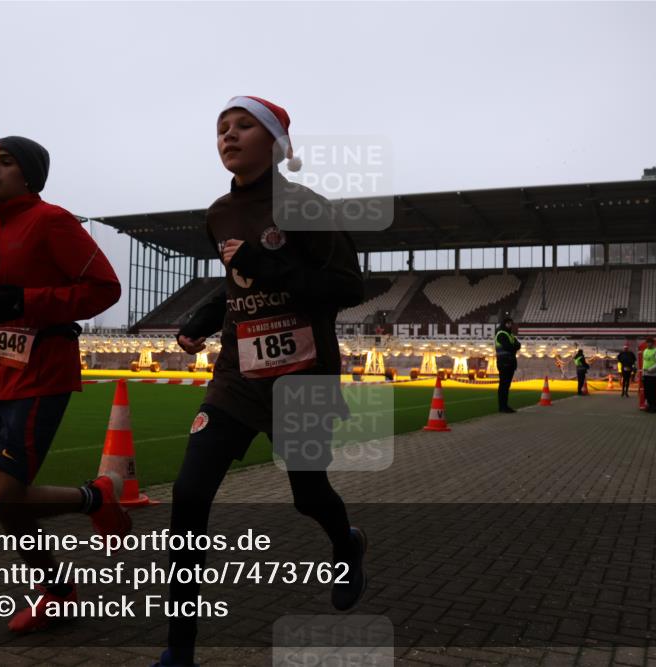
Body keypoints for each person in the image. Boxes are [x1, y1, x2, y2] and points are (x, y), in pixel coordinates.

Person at [158, 96, 366, 667]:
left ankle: (345, 544)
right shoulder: (217, 213)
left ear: (276, 143)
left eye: (243, 126)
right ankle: (178, 652)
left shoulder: (305, 207)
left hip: (301, 377)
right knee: (189, 497)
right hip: (236, 380)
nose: (229, 135)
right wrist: (201, 320)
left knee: (307, 494)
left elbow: (349, 287)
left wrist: (272, 266)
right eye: (221, 128)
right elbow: (237, 283)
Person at [0, 136, 129, 633]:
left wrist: (25, 301)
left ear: (29, 174)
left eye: (5, 162)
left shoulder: (53, 221)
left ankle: (88, 515)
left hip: (43, 374)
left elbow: (105, 289)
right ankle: (62, 582)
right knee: (3, 499)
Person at [494, 316, 521, 413]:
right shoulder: (501, 334)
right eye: (508, 323)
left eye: (510, 323)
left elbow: (519, 345)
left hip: (510, 363)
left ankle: (505, 406)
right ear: (504, 324)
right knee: (504, 385)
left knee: (506, 385)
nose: (510, 325)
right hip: (504, 363)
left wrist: (514, 347)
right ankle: (502, 407)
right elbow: (509, 347)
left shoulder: (511, 335)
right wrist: (514, 347)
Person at [640, 337, 656, 411]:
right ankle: (649, 405)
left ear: (653, 343)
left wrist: (651, 369)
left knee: (652, 391)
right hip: (646, 374)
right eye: (647, 343)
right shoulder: (645, 351)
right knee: (647, 391)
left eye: (649, 342)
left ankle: (653, 406)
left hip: (654, 375)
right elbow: (644, 363)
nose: (648, 344)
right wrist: (643, 374)